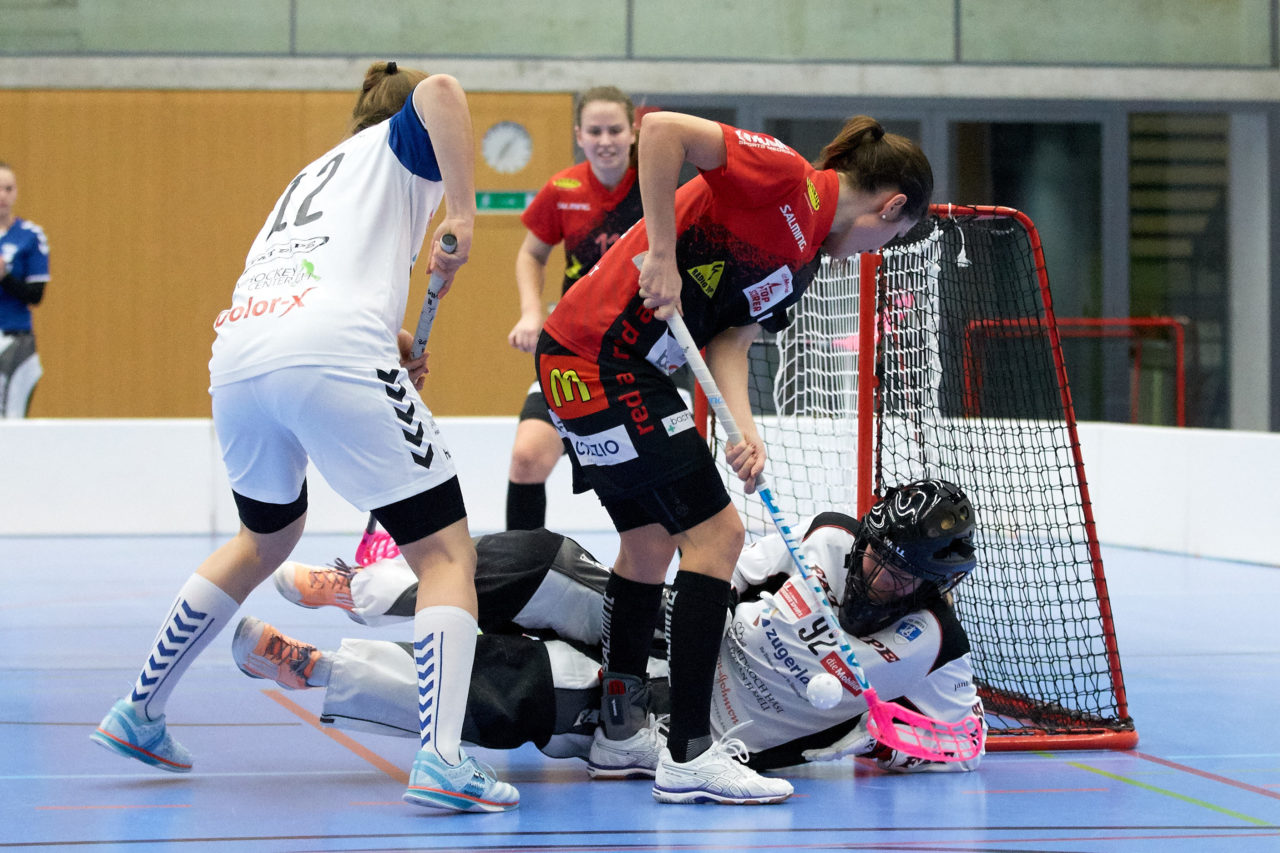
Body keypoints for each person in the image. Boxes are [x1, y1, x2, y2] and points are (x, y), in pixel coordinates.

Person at [89, 61, 518, 814]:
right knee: (447, 550)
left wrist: (386, 343)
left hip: (242, 354)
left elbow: (315, 284)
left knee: (265, 535)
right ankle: (445, 760)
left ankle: (137, 708)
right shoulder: (401, 142)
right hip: (326, 349)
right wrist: (464, 213)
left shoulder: (316, 173)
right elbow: (443, 90)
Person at [533, 110, 933, 803]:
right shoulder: (785, 179)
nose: (869, 252)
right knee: (719, 534)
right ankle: (689, 751)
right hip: (602, 356)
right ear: (890, 206)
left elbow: (730, 344)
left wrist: (744, 429)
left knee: (649, 542)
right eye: (888, 238)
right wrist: (660, 251)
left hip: (603, 364)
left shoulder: (803, 261)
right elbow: (660, 132)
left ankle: (620, 729)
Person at [235, 478, 984, 780]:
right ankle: (364, 588)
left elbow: (965, 740)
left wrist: (893, 738)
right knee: (544, 562)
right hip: (694, 631)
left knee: (532, 686)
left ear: (934, 584)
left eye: (898, 574)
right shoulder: (825, 536)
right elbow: (721, 570)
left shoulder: (935, 647)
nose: (875, 575)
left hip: (698, 721)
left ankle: (323, 669)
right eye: (875, 555)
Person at [504, 86, 643, 531]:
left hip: (643, 353)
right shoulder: (562, 189)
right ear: (579, 135)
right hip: (574, 348)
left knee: (650, 478)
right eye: (595, 131)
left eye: (615, 130)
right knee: (528, 457)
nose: (606, 140)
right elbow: (531, 254)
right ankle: (521, 576)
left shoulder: (655, 186)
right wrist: (531, 313)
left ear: (634, 131)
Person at [0, 162, 50, 418]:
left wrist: (4, 276)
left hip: (15, 337)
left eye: (8, 189)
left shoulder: (30, 236)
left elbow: (35, 294)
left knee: (11, 417)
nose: (3, 196)